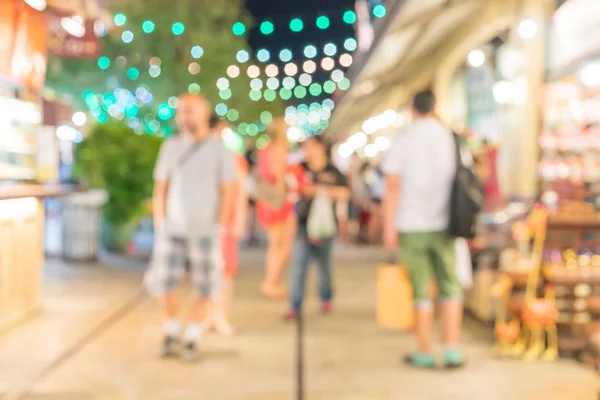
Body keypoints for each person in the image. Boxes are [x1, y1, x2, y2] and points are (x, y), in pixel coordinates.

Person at [145, 94, 236, 361]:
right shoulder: (171, 147)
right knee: (165, 281)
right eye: (181, 111)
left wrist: (221, 224)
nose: (185, 116)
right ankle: (171, 330)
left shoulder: (219, 150)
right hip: (173, 227)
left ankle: (193, 335)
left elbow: (228, 190)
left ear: (205, 113)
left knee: (206, 284)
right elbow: (161, 187)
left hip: (205, 228)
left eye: (190, 111)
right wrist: (159, 222)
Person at [382, 89, 464, 369]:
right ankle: (452, 349)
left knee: (420, 290)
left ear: (412, 108)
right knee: (450, 286)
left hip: (411, 223)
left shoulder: (404, 138)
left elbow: (392, 185)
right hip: (446, 223)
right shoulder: (449, 137)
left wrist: (389, 226)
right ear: (435, 107)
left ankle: (425, 350)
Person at [284, 135, 349, 319]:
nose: (308, 150)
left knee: (324, 265)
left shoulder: (333, 171)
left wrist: (319, 191)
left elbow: (344, 193)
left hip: (325, 227)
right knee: (298, 266)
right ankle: (295, 305)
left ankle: (326, 297)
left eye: (311, 146)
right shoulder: (299, 169)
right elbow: (291, 189)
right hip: (302, 224)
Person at [202, 116, 248, 336]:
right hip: (203, 221)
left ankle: (221, 315)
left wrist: (239, 218)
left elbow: (241, 191)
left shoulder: (232, 157)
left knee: (225, 270)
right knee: (205, 269)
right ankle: (208, 315)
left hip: (226, 221)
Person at [256, 118, 295, 300]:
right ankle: (272, 282)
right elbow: (279, 177)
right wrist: (282, 200)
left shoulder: (265, 148)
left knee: (275, 244)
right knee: (282, 245)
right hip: (277, 200)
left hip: (266, 198)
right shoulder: (279, 149)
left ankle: (271, 282)